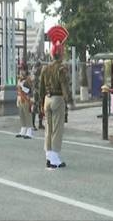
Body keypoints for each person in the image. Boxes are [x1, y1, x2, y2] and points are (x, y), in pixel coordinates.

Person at [40, 25, 73, 169]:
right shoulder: (62, 68)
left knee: (48, 127)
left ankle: (48, 155)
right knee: (57, 129)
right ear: (61, 54)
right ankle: (54, 159)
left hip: (47, 99)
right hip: (58, 99)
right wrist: (70, 101)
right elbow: (65, 86)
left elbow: (40, 87)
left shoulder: (45, 68)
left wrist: (40, 103)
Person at [16, 63, 34, 139]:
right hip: (20, 98)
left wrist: (22, 87)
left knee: (27, 115)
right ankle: (23, 129)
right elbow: (17, 90)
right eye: (20, 69)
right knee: (22, 114)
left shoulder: (28, 79)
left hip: (26, 98)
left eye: (22, 69)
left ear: (25, 70)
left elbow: (30, 90)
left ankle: (29, 131)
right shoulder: (20, 79)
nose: (21, 71)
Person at [31, 61, 45, 130]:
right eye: (40, 66)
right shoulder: (34, 74)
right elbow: (34, 85)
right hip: (35, 94)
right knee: (34, 108)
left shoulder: (40, 74)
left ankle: (40, 124)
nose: (41, 67)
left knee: (41, 108)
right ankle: (32, 124)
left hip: (40, 93)